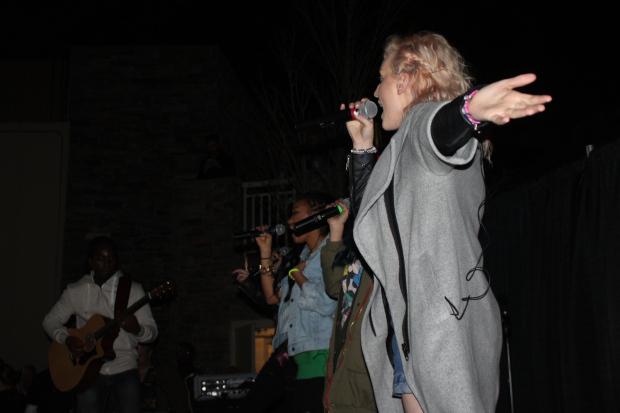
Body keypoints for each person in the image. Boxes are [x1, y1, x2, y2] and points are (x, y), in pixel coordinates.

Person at [342, 32, 552, 413]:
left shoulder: (421, 125)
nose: (375, 91)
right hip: (415, 331)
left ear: (405, 79)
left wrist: (469, 109)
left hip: (440, 328)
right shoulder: (401, 153)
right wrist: (362, 149)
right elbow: (370, 227)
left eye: (382, 78)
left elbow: (437, 130)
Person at [235, 192, 337, 413]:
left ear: (316, 216)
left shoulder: (329, 253)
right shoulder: (301, 258)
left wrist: (297, 275)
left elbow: (326, 302)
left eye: (295, 213)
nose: (290, 221)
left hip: (314, 351)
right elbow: (272, 297)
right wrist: (265, 252)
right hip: (288, 351)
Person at [43, 236, 158, 413]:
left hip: (125, 367)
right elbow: (49, 321)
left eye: (110, 259)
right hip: (86, 371)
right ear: (90, 261)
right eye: (100, 259)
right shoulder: (75, 290)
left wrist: (138, 329)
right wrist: (67, 339)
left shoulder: (133, 289)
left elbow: (153, 332)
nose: (106, 263)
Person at [321, 148, 378, 412]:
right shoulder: (354, 248)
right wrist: (336, 230)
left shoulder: (382, 240)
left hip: (365, 380)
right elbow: (335, 287)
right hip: (342, 369)